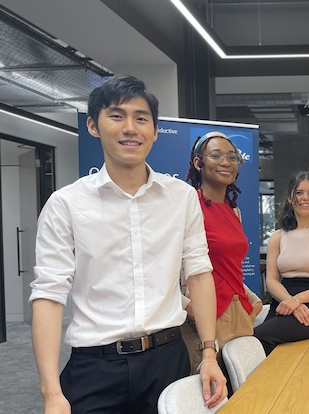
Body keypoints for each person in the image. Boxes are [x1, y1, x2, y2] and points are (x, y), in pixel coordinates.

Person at [29, 75, 226, 413]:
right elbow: (48, 294)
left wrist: (209, 353)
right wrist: (51, 391)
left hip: (168, 359)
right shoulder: (66, 204)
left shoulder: (181, 198)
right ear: (94, 125)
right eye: (117, 116)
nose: (130, 128)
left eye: (141, 118)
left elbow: (198, 273)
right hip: (94, 367)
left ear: (153, 130)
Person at [181, 131, 263, 384]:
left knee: (248, 393)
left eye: (232, 157)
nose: (226, 162)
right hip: (206, 319)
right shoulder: (188, 206)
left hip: (238, 314)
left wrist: (251, 302)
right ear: (198, 162)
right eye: (215, 156)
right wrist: (190, 309)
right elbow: (169, 269)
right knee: (212, 396)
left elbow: (232, 267)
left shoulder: (233, 210)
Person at [253, 171, 309, 355]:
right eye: (299, 192)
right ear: (289, 197)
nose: (305, 198)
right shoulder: (277, 237)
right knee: (260, 345)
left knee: (259, 337)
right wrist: (290, 301)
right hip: (283, 301)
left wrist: (298, 300)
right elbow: (271, 280)